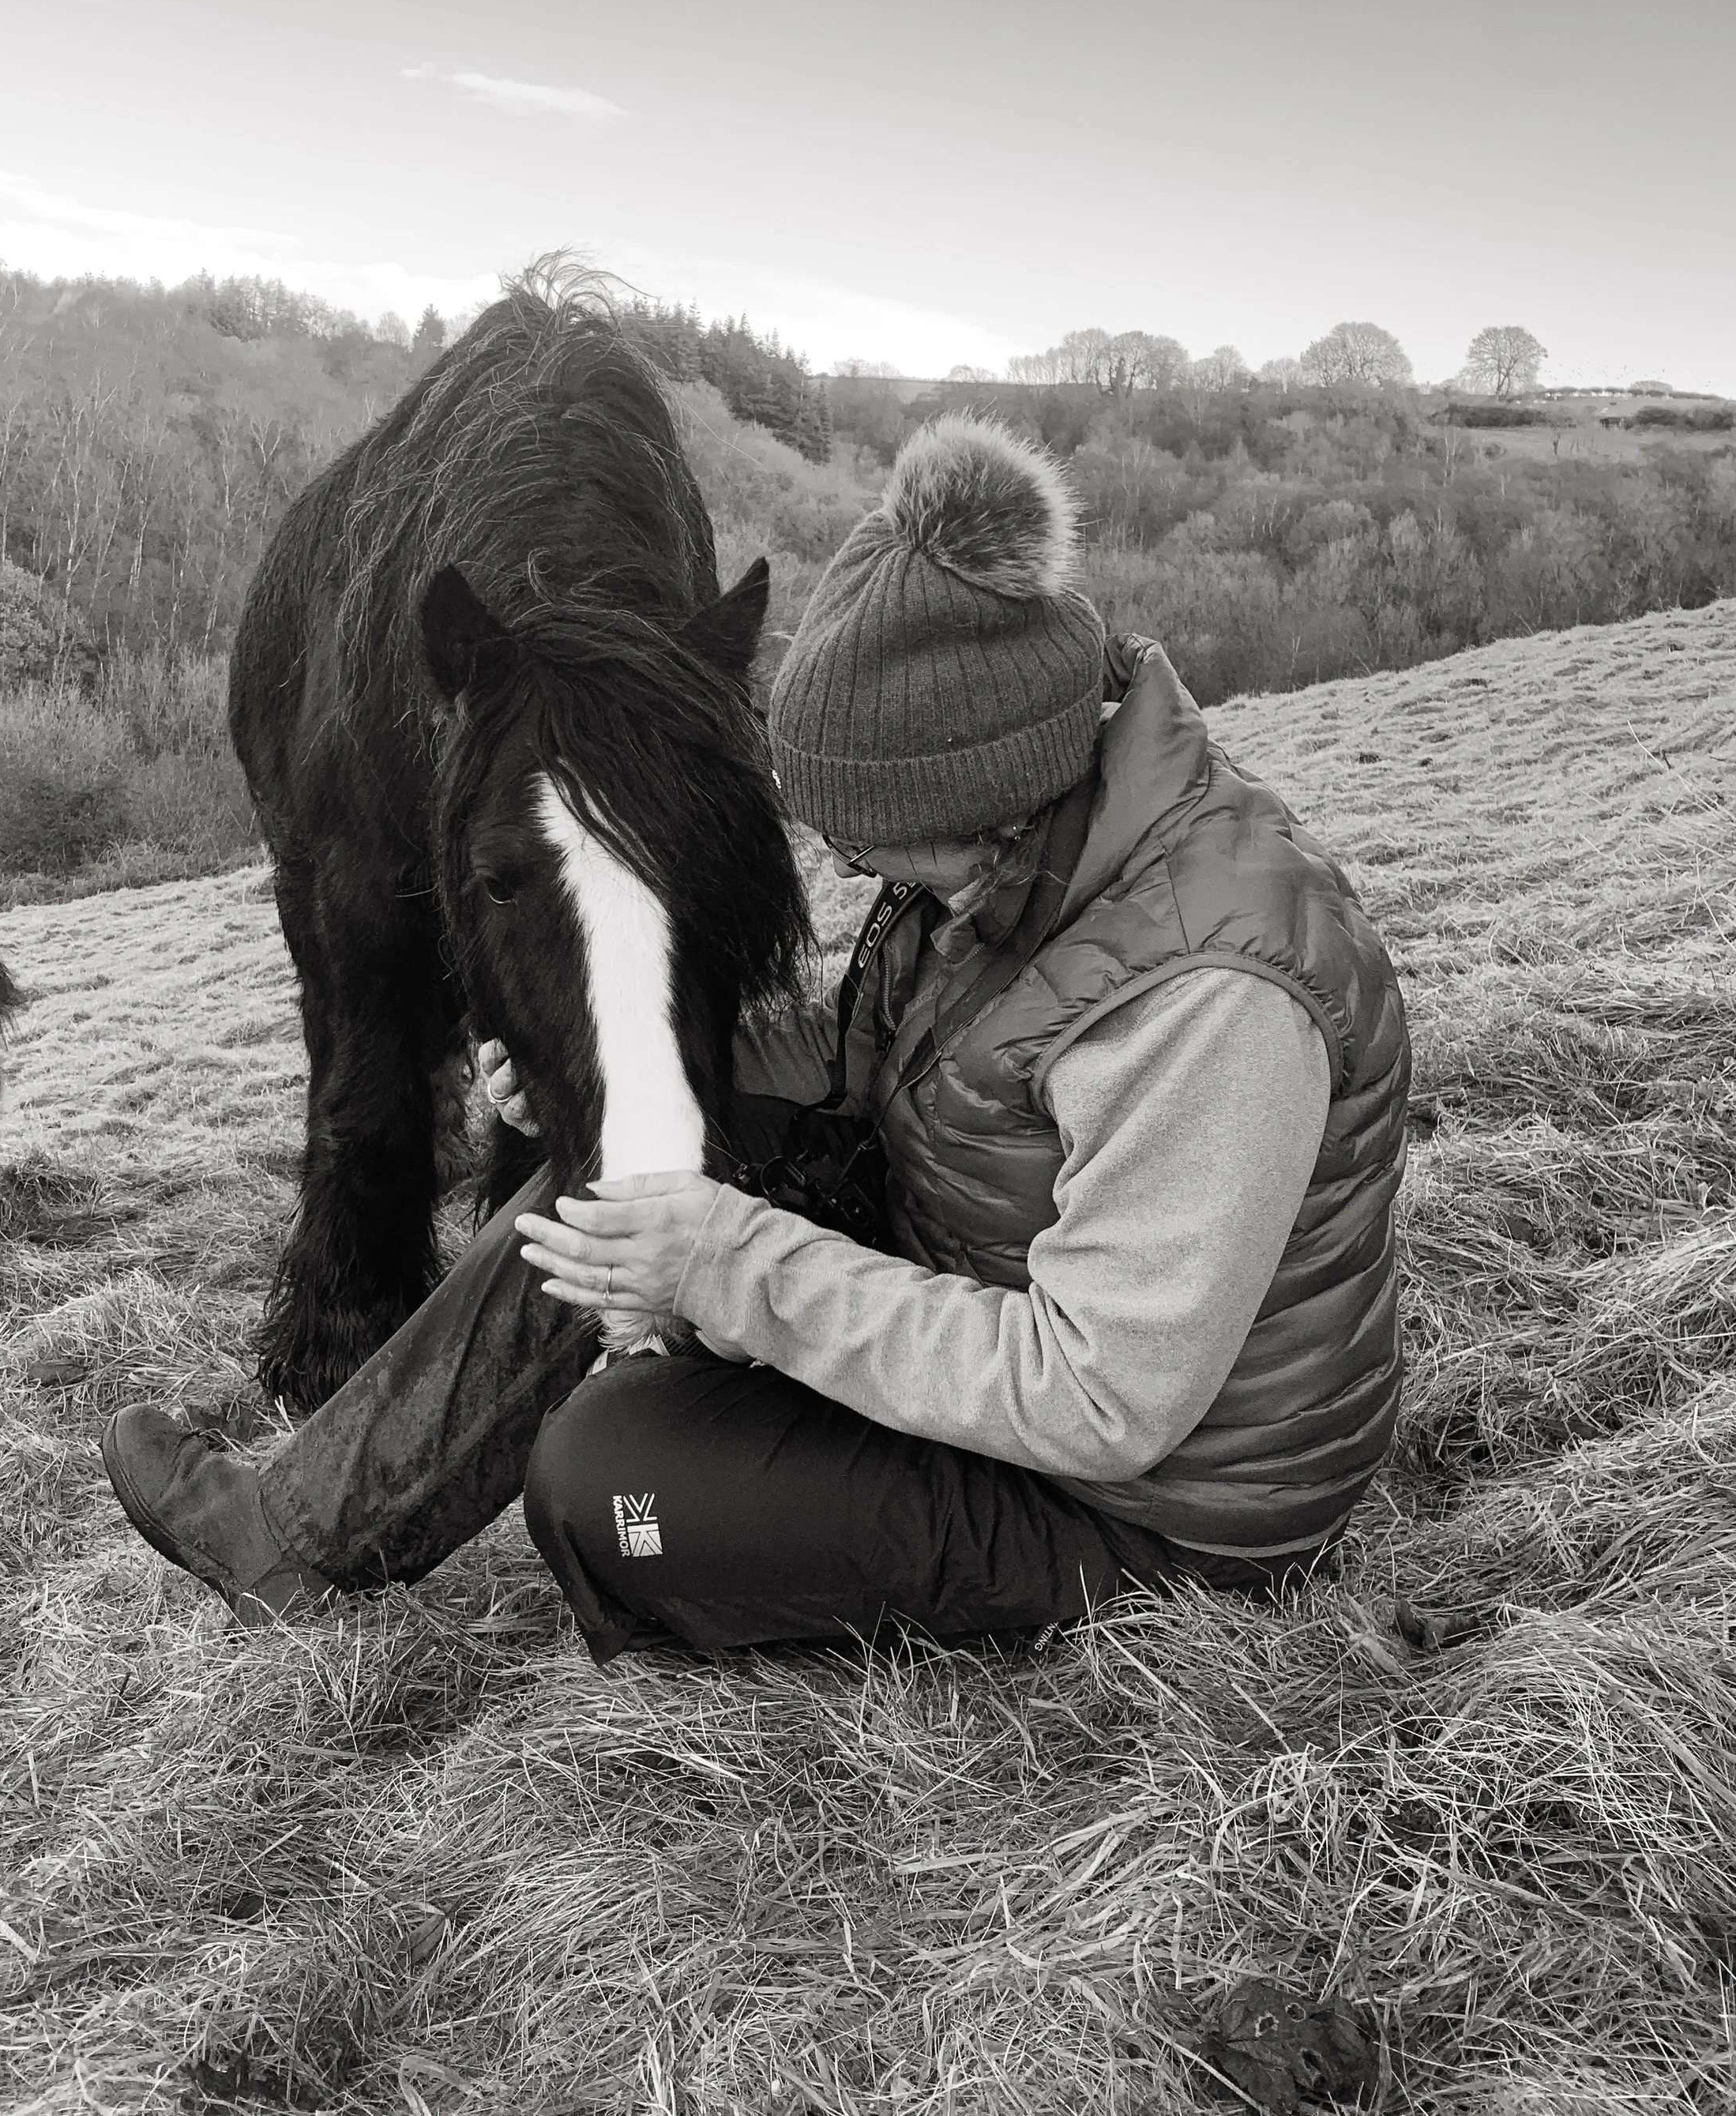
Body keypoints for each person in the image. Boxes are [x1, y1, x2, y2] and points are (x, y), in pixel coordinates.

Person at [102, 417, 1409, 1659]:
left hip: (1152, 1513)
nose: (844, 858)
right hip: (1002, 1311)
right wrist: (602, 1079)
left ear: (975, 797)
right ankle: (296, 1534)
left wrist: (732, 1266)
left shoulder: (1208, 1002)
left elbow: (1102, 1400)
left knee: (607, 1480)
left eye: (859, 832)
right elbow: (885, 1067)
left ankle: (604, 1502)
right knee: (630, 1173)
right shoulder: (1020, 863)